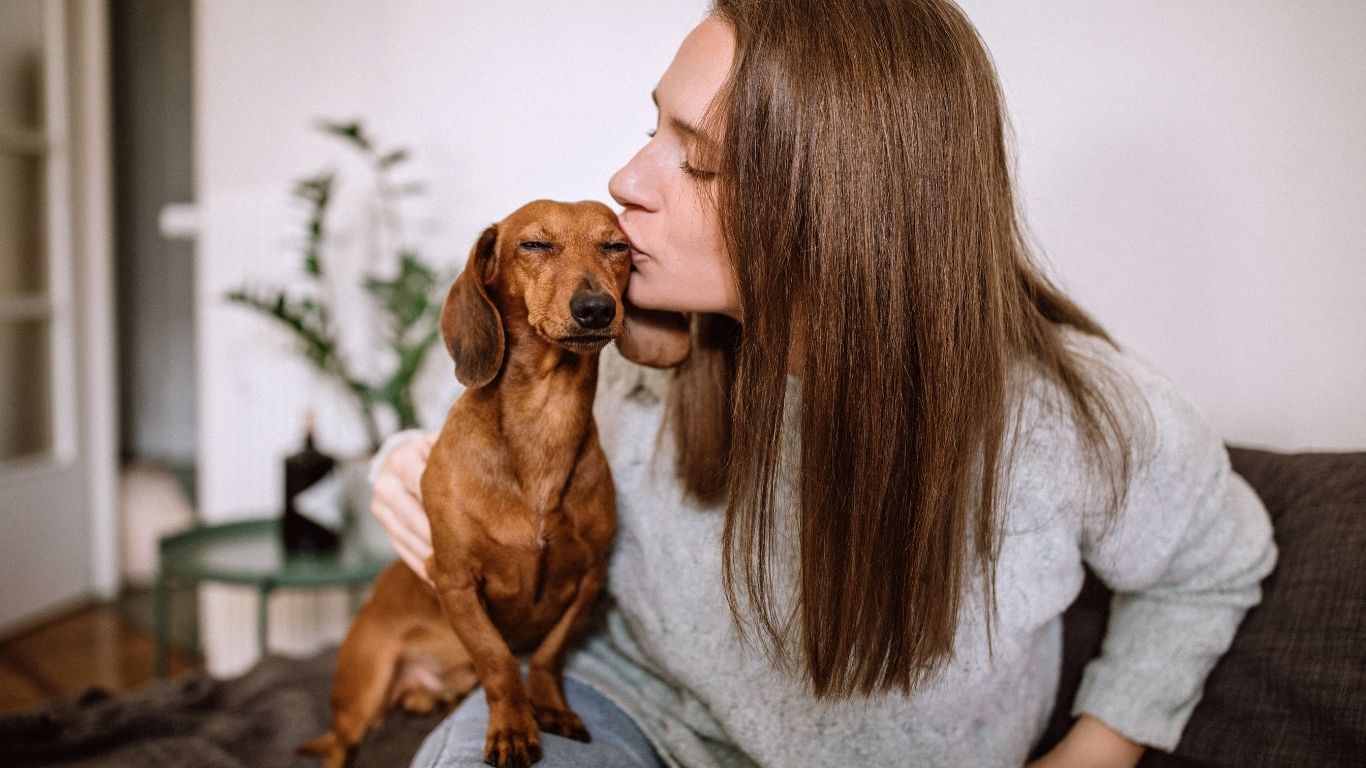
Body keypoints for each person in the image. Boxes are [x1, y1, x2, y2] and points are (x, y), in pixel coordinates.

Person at [368, 2, 1277, 766]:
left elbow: (1212, 568)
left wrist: (1095, 751)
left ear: (844, 202)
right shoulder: (631, 344)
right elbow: (507, 431)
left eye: (698, 157)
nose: (624, 180)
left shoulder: (1072, 416)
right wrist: (412, 462)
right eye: (654, 128)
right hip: (628, 722)